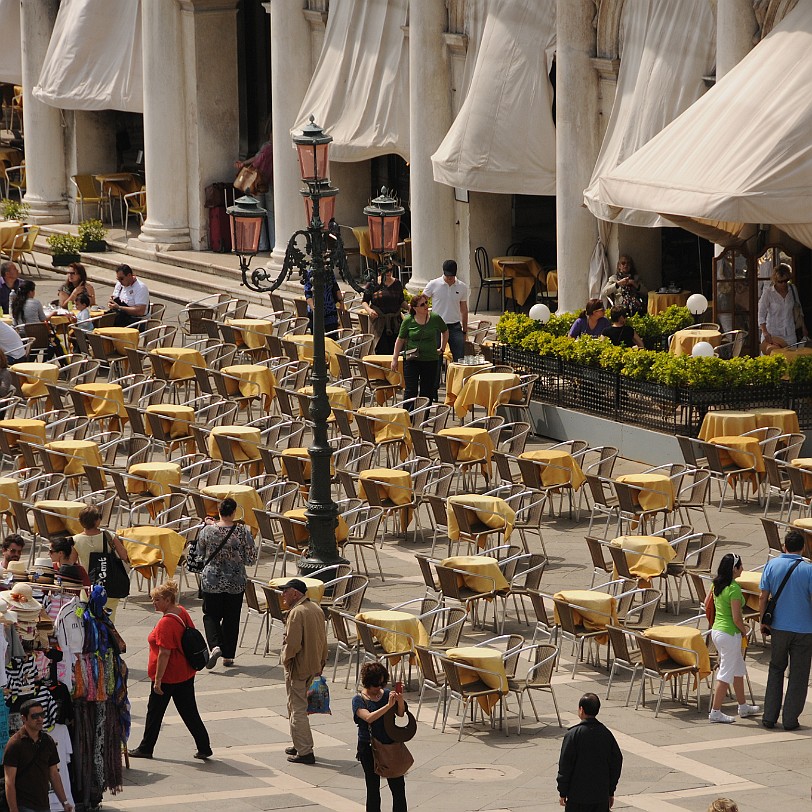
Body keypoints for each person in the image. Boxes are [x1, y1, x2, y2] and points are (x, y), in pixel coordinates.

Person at [128, 580, 212, 760]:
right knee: (189, 712)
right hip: (186, 673)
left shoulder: (166, 623)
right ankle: (204, 746)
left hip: (169, 677)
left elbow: (164, 654)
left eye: (156, 599)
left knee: (154, 713)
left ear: (167, 600)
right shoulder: (181, 611)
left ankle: (146, 748)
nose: (153, 603)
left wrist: (158, 680)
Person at [759, 529, 812, 730]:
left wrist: (763, 620)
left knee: (776, 669)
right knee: (798, 675)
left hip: (779, 627)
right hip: (804, 629)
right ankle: (790, 719)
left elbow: (763, 596)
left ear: (784, 547)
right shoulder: (808, 570)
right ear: (804, 548)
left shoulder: (772, 565)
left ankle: (769, 716)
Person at [198, 497, 256, 670]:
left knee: (211, 615)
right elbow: (250, 558)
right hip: (235, 580)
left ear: (219, 511)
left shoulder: (208, 531)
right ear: (233, 513)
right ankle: (228, 655)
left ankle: (215, 645)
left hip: (212, 580)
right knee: (232, 618)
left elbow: (200, 553)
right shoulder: (242, 532)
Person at [280, 578, 328, 764]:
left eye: (286, 591)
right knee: (295, 705)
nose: (283, 595)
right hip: (314, 665)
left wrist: (285, 659)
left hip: (298, 667)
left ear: (296, 593)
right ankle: (298, 743)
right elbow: (323, 639)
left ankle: (305, 751)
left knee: (297, 708)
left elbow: (292, 644)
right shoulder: (316, 609)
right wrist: (322, 661)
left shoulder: (296, 613)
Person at [708, 553, 760, 723]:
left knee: (738, 669)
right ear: (734, 569)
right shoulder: (734, 589)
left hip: (717, 631)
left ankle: (743, 707)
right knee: (725, 674)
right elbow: (737, 618)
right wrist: (744, 632)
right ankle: (715, 711)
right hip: (730, 634)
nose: (743, 569)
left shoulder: (715, 585)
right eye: (740, 566)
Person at [352, 662, 408, 812]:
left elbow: (401, 713)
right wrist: (388, 706)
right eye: (376, 685)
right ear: (368, 683)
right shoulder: (359, 699)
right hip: (368, 747)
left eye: (381, 684)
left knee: (398, 788)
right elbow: (369, 717)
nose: (379, 688)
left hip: (390, 745)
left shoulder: (386, 695)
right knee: (373, 789)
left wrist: (400, 700)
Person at [3, 698, 74, 812]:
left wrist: (65, 802)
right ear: (24, 718)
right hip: (23, 805)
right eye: (35, 716)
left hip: (44, 804)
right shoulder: (15, 744)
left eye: (42, 714)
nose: (40, 719)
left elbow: (54, 774)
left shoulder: (48, 741)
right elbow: (9, 781)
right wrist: (13, 809)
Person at [556, 693, 622, 811]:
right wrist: (610, 790)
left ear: (581, 710)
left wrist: (563, 791)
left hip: (577, 797)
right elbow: (616, 762)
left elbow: (565, 766)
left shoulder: (573, 735)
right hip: (600, 796)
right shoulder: (606, 734)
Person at [72, 506, 129, 622]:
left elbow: (72, 563)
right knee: (109, 620)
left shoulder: (75, 540)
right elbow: (124, 555)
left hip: (88, 586)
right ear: (97, 521)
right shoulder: (108, 536)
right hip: (110, 585)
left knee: (86, 617)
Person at [391, 294, 448, 409]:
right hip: (412, 359)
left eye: (426, 303)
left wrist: (442, 348)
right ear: (415, 308)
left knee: (427, 390)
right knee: (411, 389)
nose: (426, 306)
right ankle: (408, 416)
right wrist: (395, 358)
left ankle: (422, 417)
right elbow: (400, 339)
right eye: (422, 304)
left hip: (430, 359)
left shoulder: (435, 318)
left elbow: (445, 331)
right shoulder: (408, 320)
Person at [422, 259, 468, 362]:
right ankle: (435, 378)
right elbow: (421, 301)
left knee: (460, 358)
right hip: (436, 326)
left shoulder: (462, 287)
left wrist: (464, 331)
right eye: (447, 276)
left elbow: (464, 310)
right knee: (435, 358)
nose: (449, 278)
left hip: (454, 326)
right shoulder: (433, 284)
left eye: (451, 276)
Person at [758, 264, 807, 352]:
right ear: (775, 281)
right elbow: (761, 314)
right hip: (772, 333)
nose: (784, 284)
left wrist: (803, 327)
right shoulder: (768, 293)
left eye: (786, 281)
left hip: (789, 332)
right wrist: (765, 332)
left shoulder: (792, 289)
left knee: (790, 359)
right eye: (781, 281)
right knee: (772, 359)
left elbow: (798, 309)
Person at [362, 262, 405, 355]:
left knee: (396, 351)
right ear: (380, 272)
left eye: (390, 270)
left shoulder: (397, 283)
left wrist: (410, 307)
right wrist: (369, 310)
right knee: (381, 350)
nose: (389, 273)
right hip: (379, 323)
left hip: (395, 323)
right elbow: (364, 301)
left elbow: (401, 301)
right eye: (386, 271)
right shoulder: (373, 284)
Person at [304, 267, 343, 336]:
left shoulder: (329, 272)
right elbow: (308, 294)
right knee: (317, 336)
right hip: (316, 311)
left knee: (332, 335)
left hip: (330, 309)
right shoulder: (310, 273)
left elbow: (335, 287)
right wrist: (313, 308)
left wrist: (341, 302)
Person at [108, 264, 149, 328]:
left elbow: (140, 311)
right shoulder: (119, 284)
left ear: (129, 275)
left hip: (135, 321)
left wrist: (119, 307)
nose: (120, 281)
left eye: (121, 279)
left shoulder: (140, 288)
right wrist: (111, 303)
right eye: (118, 279)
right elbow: (114, 297)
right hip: (120, 317)